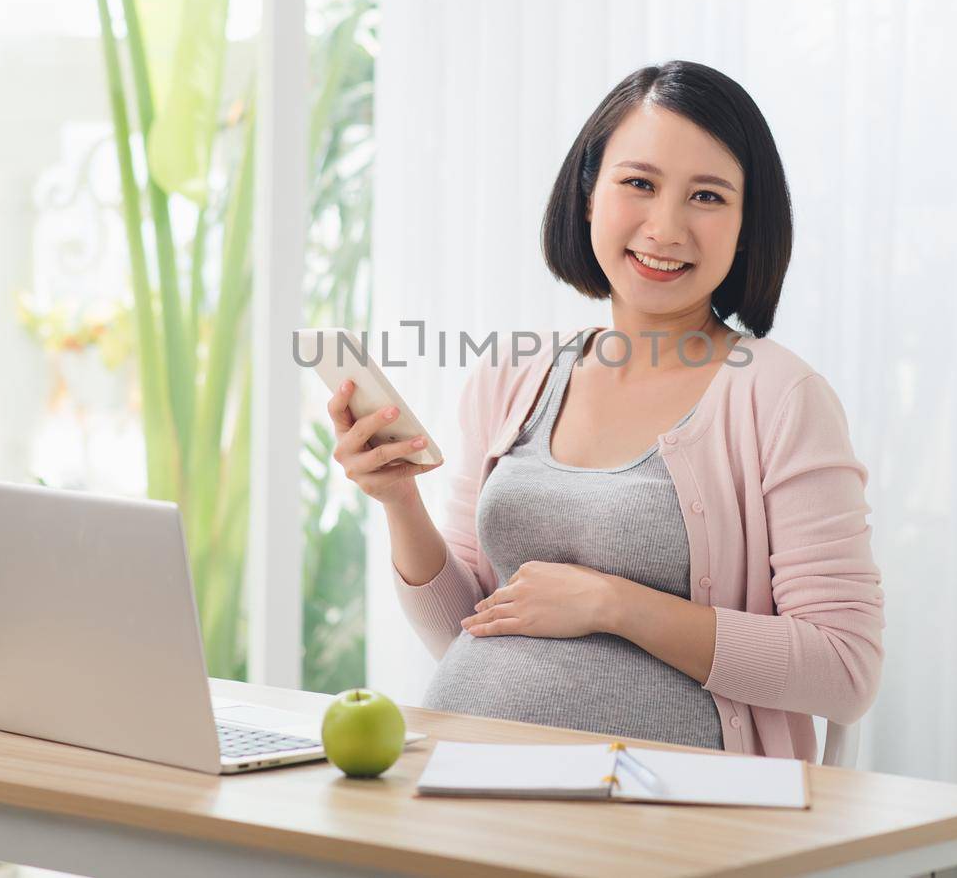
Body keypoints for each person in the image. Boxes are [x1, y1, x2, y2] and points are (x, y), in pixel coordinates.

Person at [326, 60, 883, 760]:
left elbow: (846, 669)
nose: (666, 226)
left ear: (747, 226)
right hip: (460, 786)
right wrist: (399, 499)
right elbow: (467, 629)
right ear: (589, 195)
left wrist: (613, 605)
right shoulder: (512, 375)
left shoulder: (780, 397)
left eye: (707, 196)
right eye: (639, 184)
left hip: (659, 828)